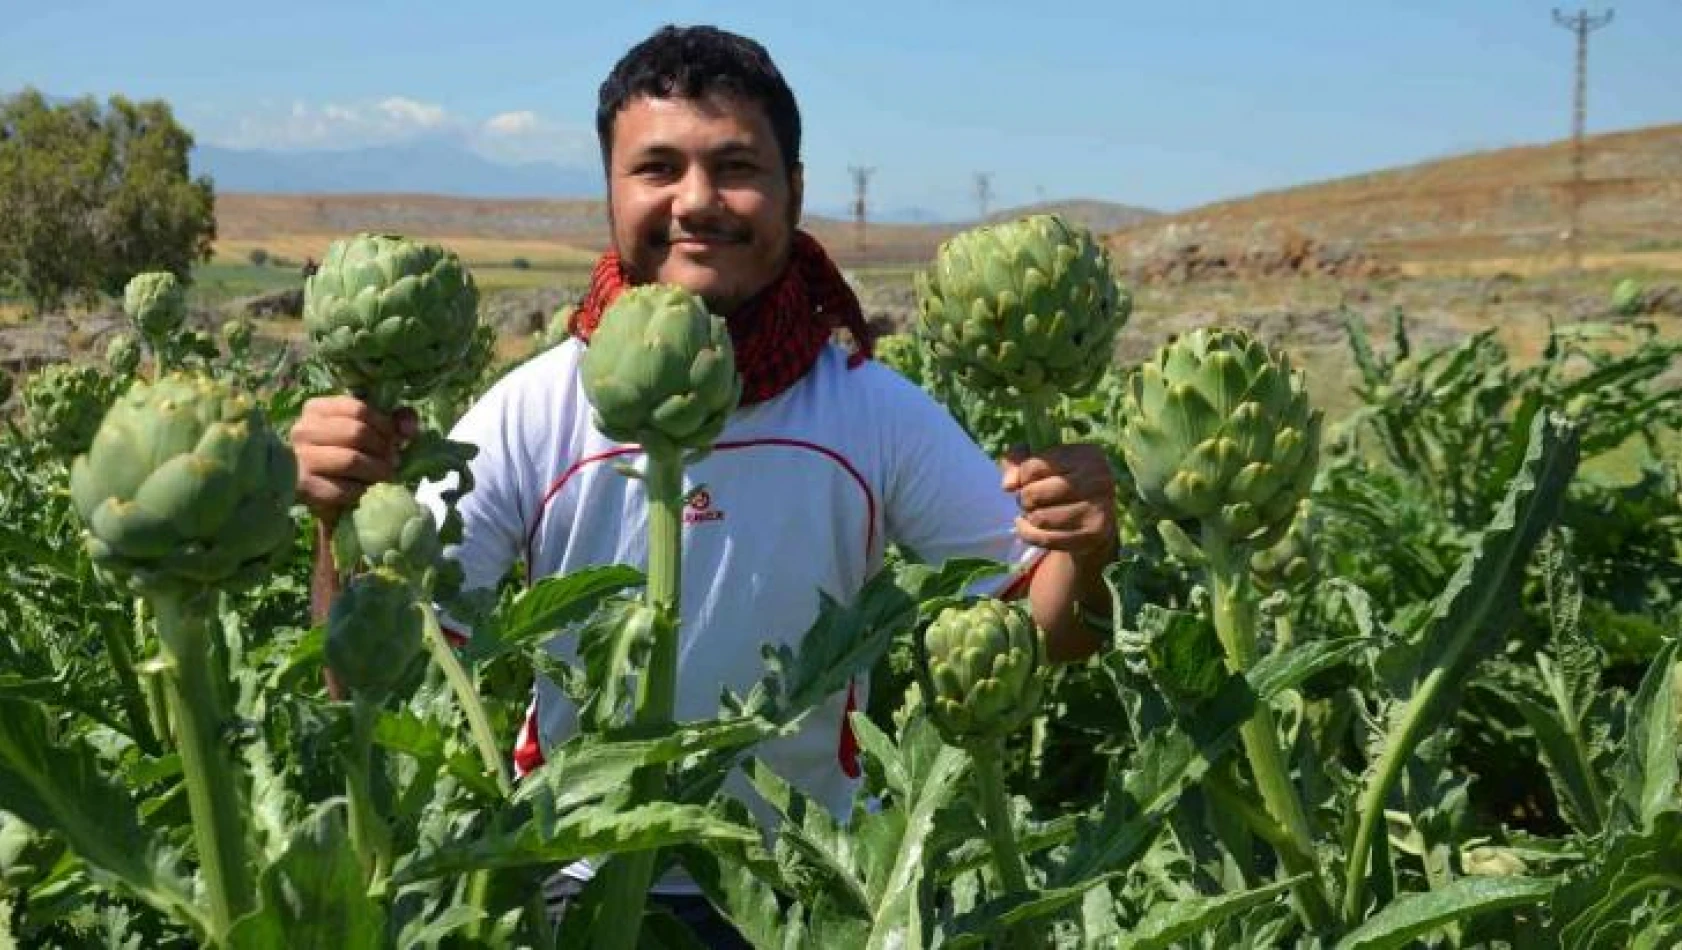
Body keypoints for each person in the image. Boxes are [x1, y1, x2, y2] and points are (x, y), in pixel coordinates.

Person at [288, 23, 1117, 945]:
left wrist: (1085, 545)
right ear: (609, 190)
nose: (697, 200)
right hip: (574, 883)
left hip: (808, 892)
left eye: (735, 166)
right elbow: (366, 676)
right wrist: (338, 524)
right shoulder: (533, 410)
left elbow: (1047, 635)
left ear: (794, 191)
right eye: (657, 168)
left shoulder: (872, 412)